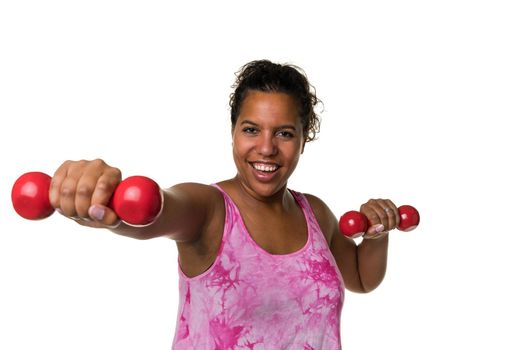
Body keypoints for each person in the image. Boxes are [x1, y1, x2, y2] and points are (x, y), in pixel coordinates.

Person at [48, 60, 399, 349]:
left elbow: (360, 279)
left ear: (303, 140)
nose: (266, 148)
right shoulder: (209, 209)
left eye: (284, 133)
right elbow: (156, 211)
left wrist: (377, 233)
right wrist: (107, 203)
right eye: (251, 130)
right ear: (233, 133)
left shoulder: (316, 213)